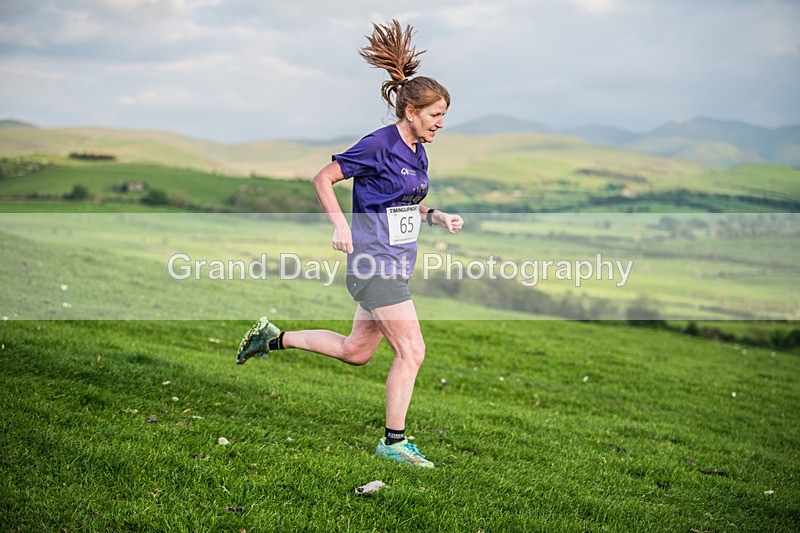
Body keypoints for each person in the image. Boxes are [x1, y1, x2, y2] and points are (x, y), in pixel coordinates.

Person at [236, 19, 463, 468]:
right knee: (412, 351)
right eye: (436, 115)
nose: (440, 124)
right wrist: (340, 226)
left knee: (355, 352)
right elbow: (324, 177)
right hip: (373, 265)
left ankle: (271, 338)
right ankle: (393, 443)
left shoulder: (419, 150)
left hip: (395, 264)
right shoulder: (378, 144)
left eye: (443, 117)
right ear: (412, 110)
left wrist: (435, 216)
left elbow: (401, 202)